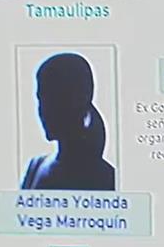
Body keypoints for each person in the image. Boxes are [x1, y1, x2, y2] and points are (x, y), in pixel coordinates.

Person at [21, 53, 114, 191]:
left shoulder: (106, 178)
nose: (44, 111)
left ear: (79, 101)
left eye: (54, 100)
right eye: (41, 100)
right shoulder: (35, 167)